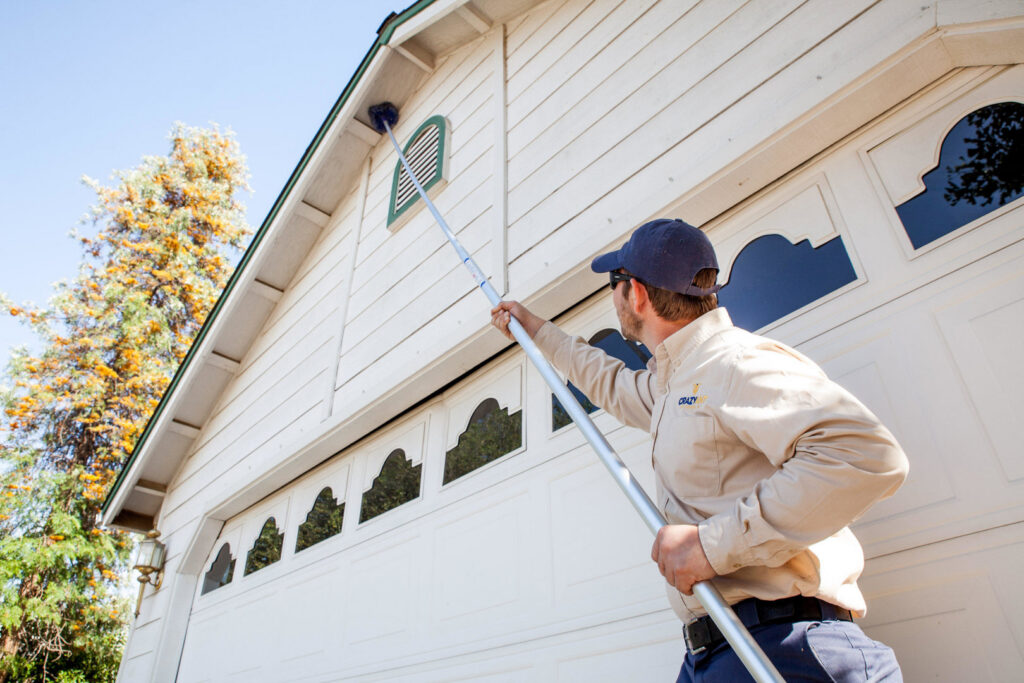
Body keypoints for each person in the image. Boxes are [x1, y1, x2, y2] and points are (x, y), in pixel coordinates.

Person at [490, 218, 908, 682]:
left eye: (615, 284)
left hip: (786, 651)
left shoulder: (733, 361)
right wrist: (535, 330)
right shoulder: (678, 385)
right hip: (720, 651)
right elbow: (611, 384)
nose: (613, 297)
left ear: (638, 295)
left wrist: (712, 546)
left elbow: (863, 456)